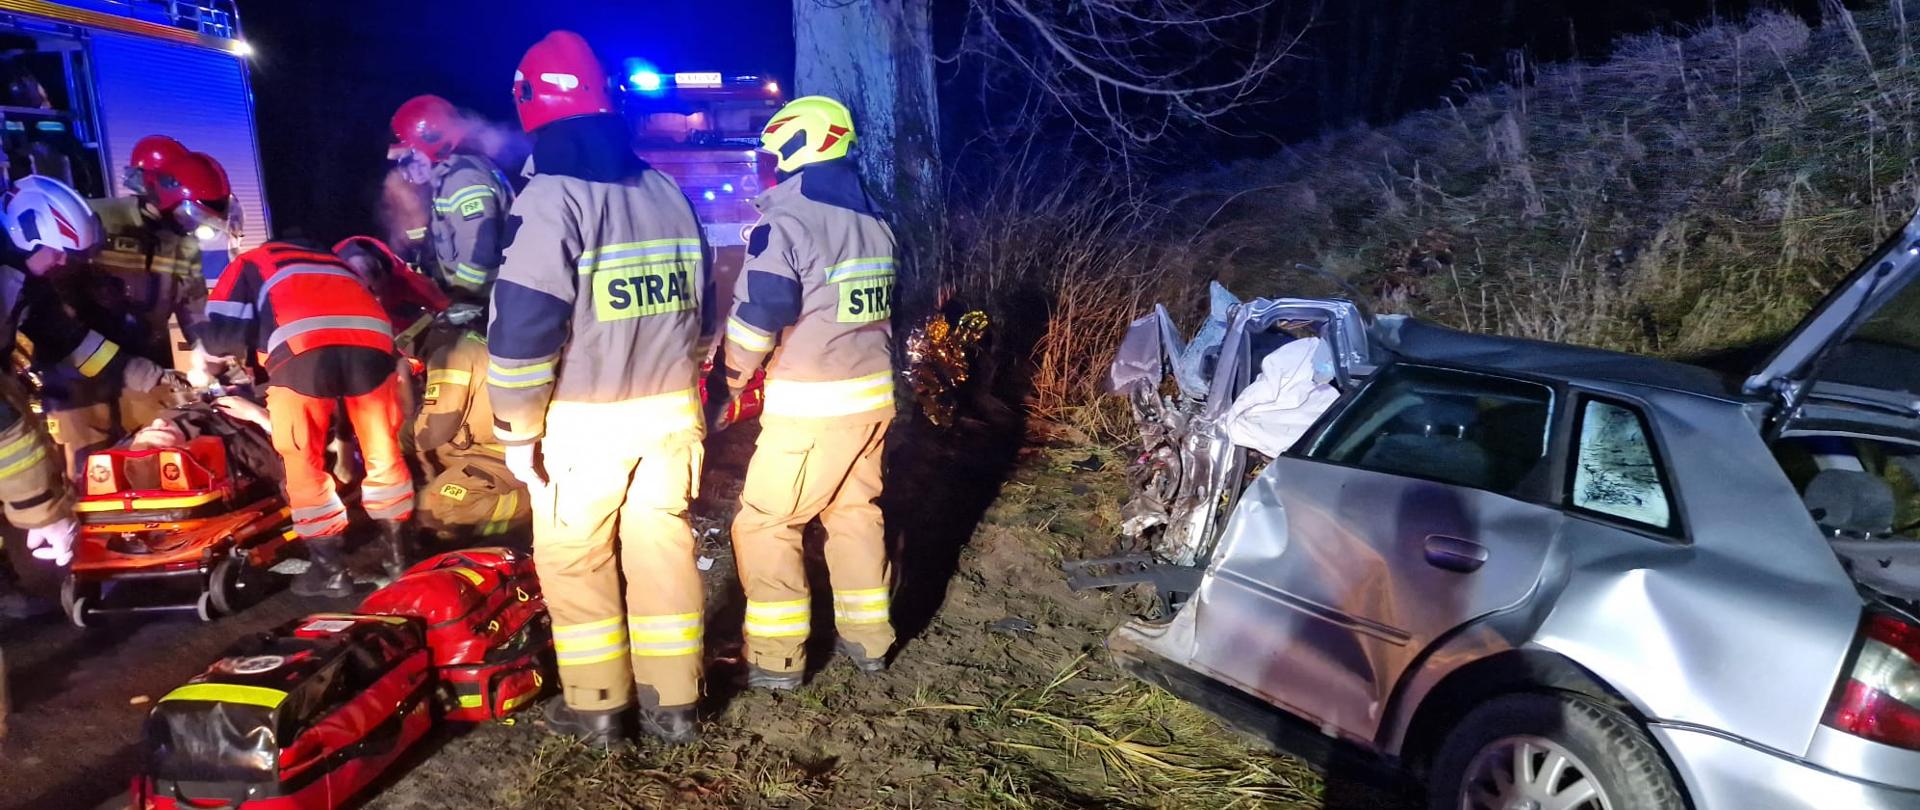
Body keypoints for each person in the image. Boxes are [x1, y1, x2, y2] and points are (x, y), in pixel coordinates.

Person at [489, 30, 709, 747]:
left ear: (531, 104)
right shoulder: (667, 191)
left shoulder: (553, 198)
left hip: (584, 426)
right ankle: (675, 704)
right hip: (672, 416)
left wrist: (517, 432)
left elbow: (523, 328)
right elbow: (700, 304)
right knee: (663, 548)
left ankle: (599, 708)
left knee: (576, 559)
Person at [720, 96, 898, 689]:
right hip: (872, 399)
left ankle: (776, 658)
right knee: (854, 513)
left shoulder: (789, 220)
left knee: (767, 522)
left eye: (773, 153)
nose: (767, 166)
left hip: (814, 408)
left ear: (799, 148)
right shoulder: (875, 220)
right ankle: (868, 639)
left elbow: (763, 308)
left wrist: (733, 374)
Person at [198, 241, 415, 596]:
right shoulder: (329, 263)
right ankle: (399, 559)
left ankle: (331, 573)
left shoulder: (247, 264)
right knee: (383, 452)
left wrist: (202, 366)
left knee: (303, 459)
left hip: (302, 350)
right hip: (375, 345)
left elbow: (222, 336)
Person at [45, 138, 234, 474]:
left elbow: (194, 310)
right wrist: (131, 369)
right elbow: (55, 312)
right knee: (89, 473)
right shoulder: (99, 221)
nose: (193, 226)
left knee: (158, 460)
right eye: (190, 213)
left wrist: (216, 354)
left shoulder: (183, 245)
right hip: (79, 376)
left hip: (144, 369)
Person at [389, 95, 514, 308]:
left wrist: (463, 296)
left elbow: (480, 249)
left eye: (411, 154)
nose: (407, 166)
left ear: (432, 141)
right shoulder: (451, 176)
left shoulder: (462, 180)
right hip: (490, 298)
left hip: (492, 301)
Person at [414, 327, 528, 545]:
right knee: (432, 501)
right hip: (503, 449)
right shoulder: (471, 346)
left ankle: (539, 505)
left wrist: (400, 439)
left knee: (439, 505)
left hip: (504, 455)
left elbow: (435, 429)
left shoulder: (449, 354)